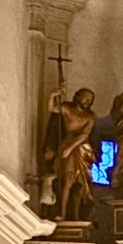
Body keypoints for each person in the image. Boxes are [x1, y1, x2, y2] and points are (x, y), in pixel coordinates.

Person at [46, 87, 97, 220]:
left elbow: (84, 135)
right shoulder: (67, 108)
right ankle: (62, 213)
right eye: (85, 97)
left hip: (82, 150)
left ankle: (76, 216)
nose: (87, 101)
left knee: (80, 184)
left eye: (90, 100)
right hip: (68, 144)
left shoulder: (90, 116)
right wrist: (53, 95)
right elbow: (52, 109)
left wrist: (70, 148)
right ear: (77, 96)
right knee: (68, 181)